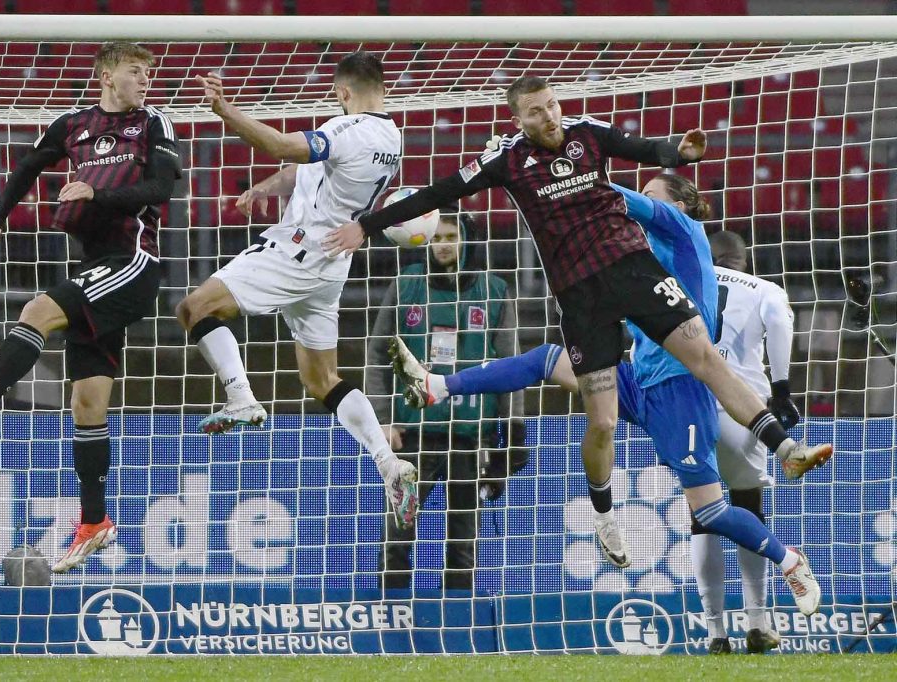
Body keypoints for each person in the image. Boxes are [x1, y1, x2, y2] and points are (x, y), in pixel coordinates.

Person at [326, 75, 831, 568]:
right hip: (582, 299)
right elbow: (438, 194)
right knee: (602, 423)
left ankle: (786, 448)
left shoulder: (588, 133)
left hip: (633, 269)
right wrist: (367, 226)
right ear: (517, 118)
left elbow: (641, 147)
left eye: (551, 105)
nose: (549, 117)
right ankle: (604, 513)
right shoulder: (506, 159)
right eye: (536, 111)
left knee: (706, 360)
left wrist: (679, 153)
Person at [389, 174, 823, 618]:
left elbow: (617, 198)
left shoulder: (682, 233)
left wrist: (565, 172)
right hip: (639, 378)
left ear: (682, 205)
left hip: (681, 391)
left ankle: (789, 560)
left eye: (654, 195)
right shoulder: (640, 256)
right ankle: (439, 386)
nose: (645, 203)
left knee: (711, 513)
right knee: (547, 360)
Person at [0, 42, 182, 572]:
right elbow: (29, 166)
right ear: (105, 75)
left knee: (36, 310)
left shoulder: (153, 124)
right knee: (87, 406)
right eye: (135, 71)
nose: (146, 79)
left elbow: (161, 188)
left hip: (134, 263)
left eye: (149, 72)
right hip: (95, 266)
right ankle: (95, 520)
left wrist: (95, 196)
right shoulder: (73, 125)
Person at [178, 52, 419, 529]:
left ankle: (240, 396)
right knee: (321, 379)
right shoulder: (391, 135)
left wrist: (227, 111)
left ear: (343, 92)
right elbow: (306, 168)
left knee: (194, 307)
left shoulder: (347, 129)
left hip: (297, 252)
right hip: (332, 266)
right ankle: (387, 461)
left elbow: (281, 145)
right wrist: (268, 188)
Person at [367, 210, 525, 590]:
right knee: (397, 534)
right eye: (436, 238)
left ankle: (456, 629)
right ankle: (390, 622)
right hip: (412, 434)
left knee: (463, 541)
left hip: (472, 436)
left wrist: (513, 433)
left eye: (450, 237)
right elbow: (378, 354)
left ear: (467, 240)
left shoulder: (495, 291)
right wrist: (382, 420)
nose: (442, 245)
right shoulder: (405, 286)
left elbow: (512, 368)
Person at [686, 229, 799, 654]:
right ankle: (757, 621)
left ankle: (714, 632)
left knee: (703, 515)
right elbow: (780, 327)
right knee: (748, 506)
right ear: (743, 260)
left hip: (692, 407)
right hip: (744, 409)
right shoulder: (765, 288)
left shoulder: (685, 280)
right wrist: (782, 390)